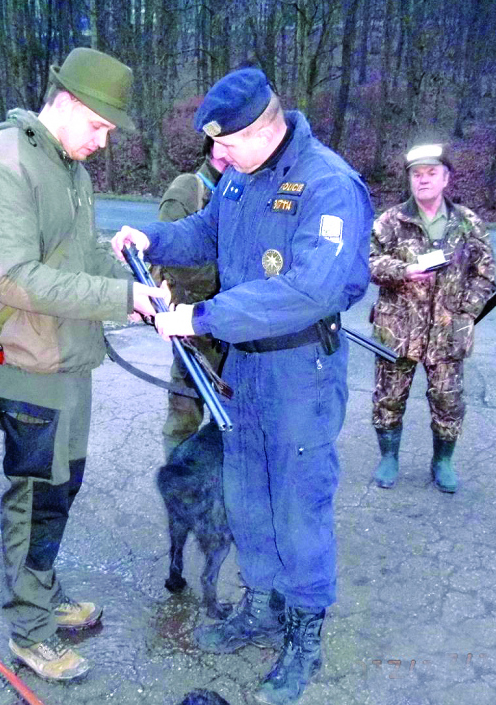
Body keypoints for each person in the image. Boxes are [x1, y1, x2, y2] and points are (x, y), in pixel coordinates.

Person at [112, 67, 373, 705]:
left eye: (225, 145)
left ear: (265, 128)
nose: (215, 157)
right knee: (246, 496)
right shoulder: (240, 177)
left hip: (299, 371)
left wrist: (198, 317)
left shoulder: (328, 185)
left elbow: (311, 289)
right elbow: (207, 233)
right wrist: (154, 238)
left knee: (298, 507)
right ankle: (259, 607)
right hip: (244, 370)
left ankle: (304, 634)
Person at [0, 47, 166, 682]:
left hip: (69, 359)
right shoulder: (4, 161)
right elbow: (17, 279)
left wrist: (140, 293)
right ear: (69, 103)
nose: (104, 142)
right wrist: (118, 298)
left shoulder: (66, 164)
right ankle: (30, 631)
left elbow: (78, 261)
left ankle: (42, 593)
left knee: (60, 489)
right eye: (100, 126)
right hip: (27, 361)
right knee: (34, 498)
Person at [368, 143, 496, 493]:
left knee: (448, 401)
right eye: (416, 175)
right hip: (397, 330)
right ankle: (389, 457)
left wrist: (465, 313)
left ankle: (442, 462)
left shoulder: (468, 223)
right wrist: (402, 271)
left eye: (431, 173)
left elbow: (484, 274)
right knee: (388, 398)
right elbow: (367, 261)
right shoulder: (391, 220)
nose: (422, 180)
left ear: (446, 178)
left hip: (447, 333)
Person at [151, 136, 228, 458]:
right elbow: (161, 253)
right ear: (210, 145)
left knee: (232, 415)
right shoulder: (189, 187)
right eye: (223, 141)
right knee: (184, 414)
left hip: (231, 325)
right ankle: (178, 485)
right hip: (195, 327)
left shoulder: (241, 189)